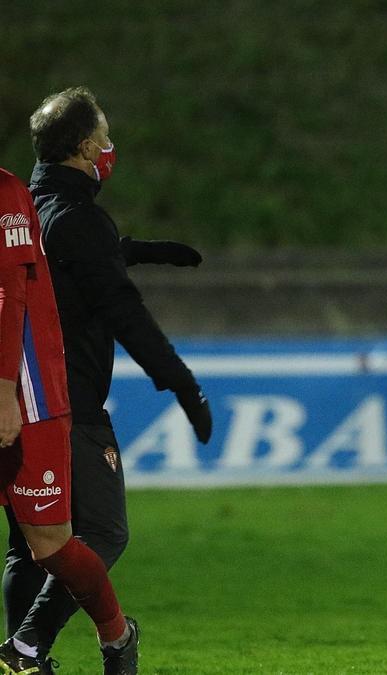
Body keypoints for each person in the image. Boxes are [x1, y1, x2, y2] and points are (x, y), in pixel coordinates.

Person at [1, 87, 212, 674]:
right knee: (103, 532)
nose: (110, 147)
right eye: (105, 136)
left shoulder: (26, 209)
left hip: (13, 400)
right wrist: (180, 381)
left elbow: (62, 260)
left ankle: (25, 659)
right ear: (87, 147)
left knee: (27, 544)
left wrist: (134, 250)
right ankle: (30, 646)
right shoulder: (81, 218)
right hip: (68, 401)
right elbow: (124, 313)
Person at [0, 160, 144, 675]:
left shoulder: (9, 195)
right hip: (48, 397)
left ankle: (108, 637)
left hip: (31, 396)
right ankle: (26, 651)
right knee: (42, 543)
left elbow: (11, 294)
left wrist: (4, 391)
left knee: (46, 543)